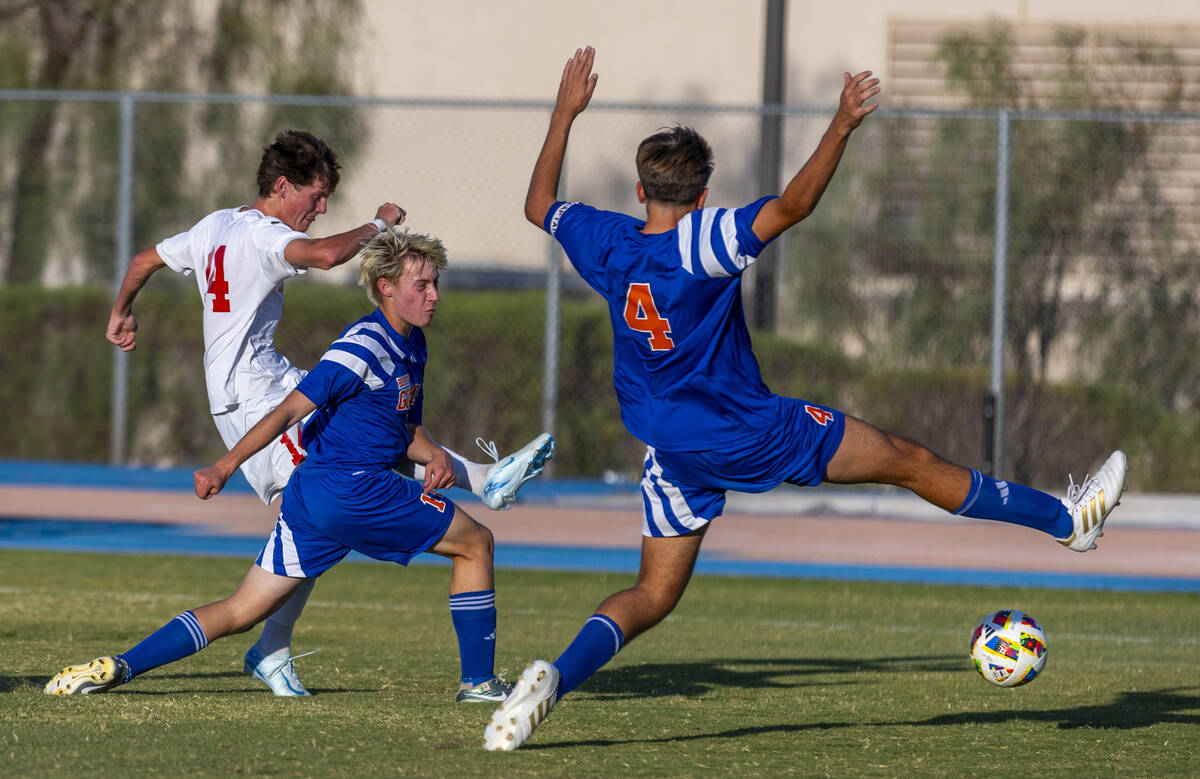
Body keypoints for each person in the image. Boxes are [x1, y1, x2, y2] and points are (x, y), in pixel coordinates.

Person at [482, 47, 1128, 751]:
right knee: (908, 459)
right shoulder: (703, 240)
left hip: (670, 446)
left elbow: (537, 204)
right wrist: (842, 125)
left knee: (653, 594)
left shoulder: (607, 240)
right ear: (701, 196)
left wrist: (565, 112)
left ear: (640, 192)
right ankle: (1068, 520)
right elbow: (793, 205)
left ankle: (553, 681)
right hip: (748, 428)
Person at [105, 130, 554, 696]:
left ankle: (484, 480)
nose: (319, 210)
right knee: (334, 487)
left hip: (261, 384)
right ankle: (272, 645)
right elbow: (322, 256)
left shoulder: (215, 225)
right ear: (282, 185)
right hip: (258, 399)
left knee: (356, 454)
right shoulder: (267, 236)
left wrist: (121, 312)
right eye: (315, 198)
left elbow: (146, 258)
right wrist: (379, 224)